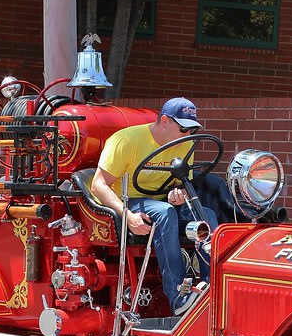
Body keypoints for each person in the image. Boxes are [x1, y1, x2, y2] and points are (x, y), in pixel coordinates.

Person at [90, 97, 217, 315]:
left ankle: (212, 287)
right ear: (165, 121)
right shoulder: (127, 141)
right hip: (129, 201)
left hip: (163, 202)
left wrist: (179, 194)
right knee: (165, 213)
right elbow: (98, 185)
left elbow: (181, 184)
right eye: (184, 128)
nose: (188, 134)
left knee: (206, 215)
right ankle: (177, 296)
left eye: (192, 129)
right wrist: (127, 215)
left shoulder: (185, 144)